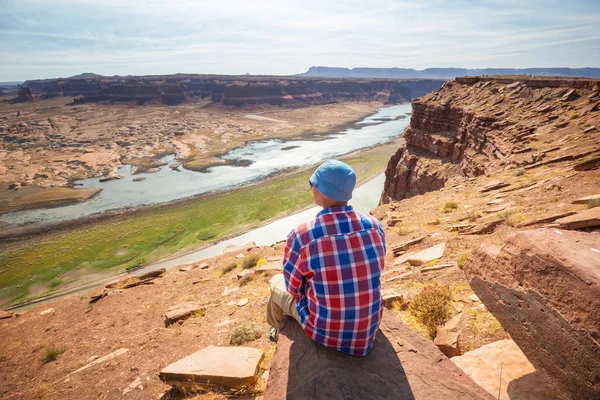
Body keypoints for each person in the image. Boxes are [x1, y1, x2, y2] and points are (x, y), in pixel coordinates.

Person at [266, 159, 386, 356]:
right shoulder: (373, 225)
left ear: (323, 191)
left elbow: (292, 288)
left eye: (312, 184)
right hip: (368, 330)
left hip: (326, 333)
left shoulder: (302, 236)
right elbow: (377, 268)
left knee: (275, 284)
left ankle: (276, 329)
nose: (311, 188)